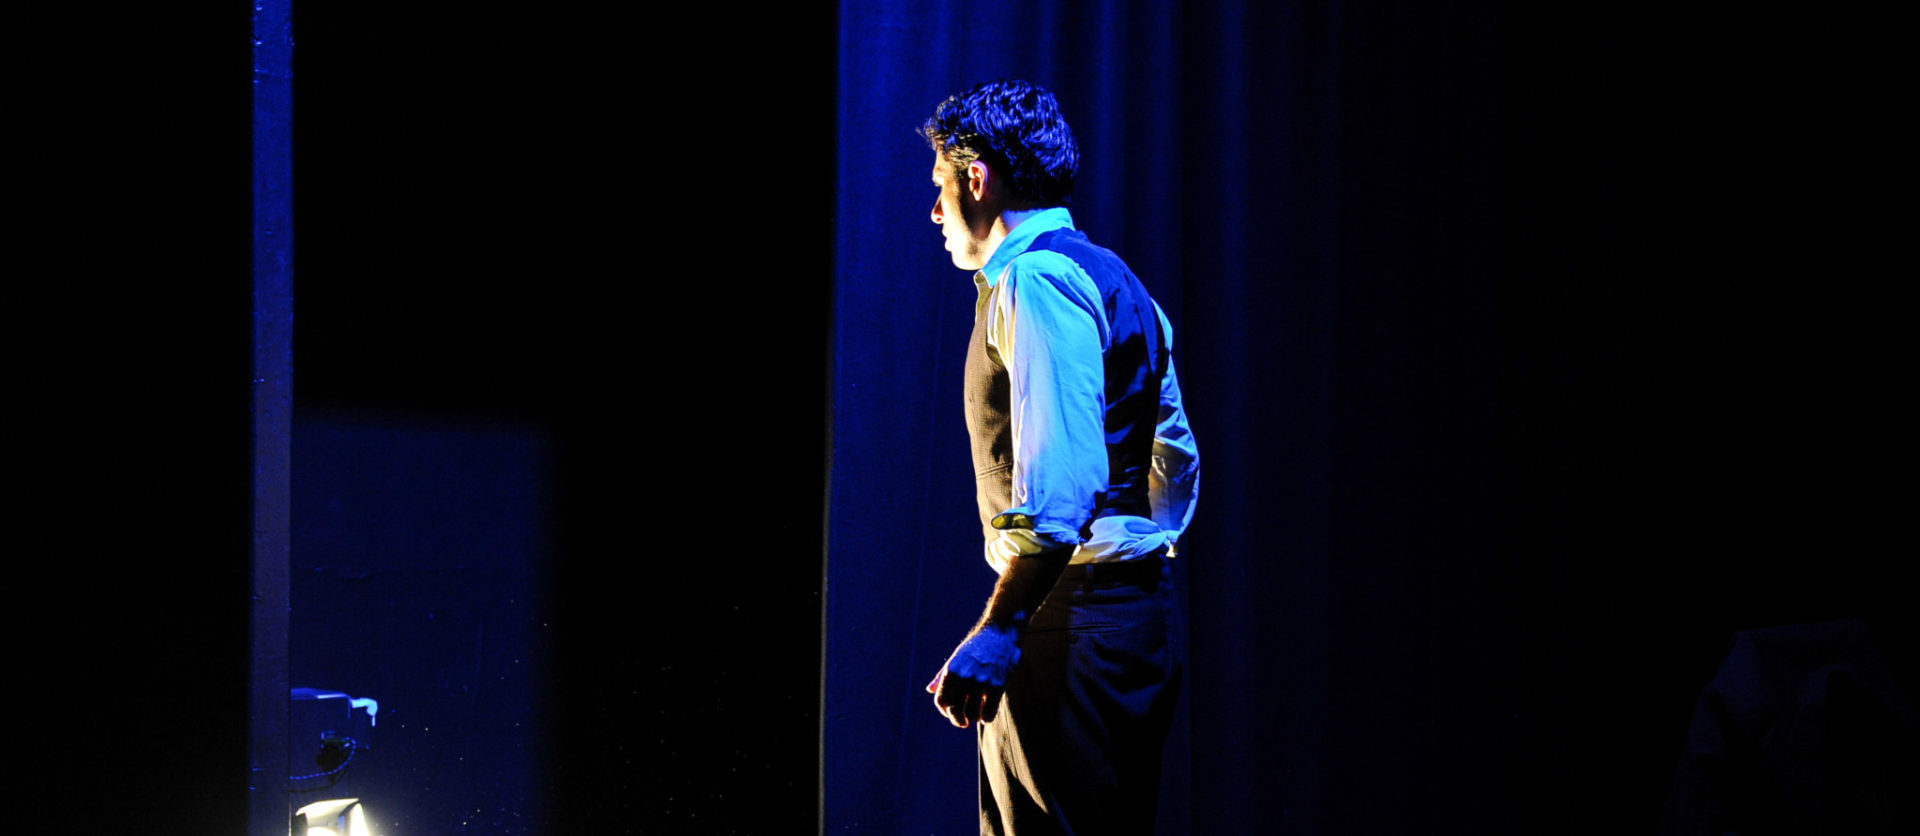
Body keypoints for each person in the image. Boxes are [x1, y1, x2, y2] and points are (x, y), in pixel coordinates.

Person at [920, 78, 1201, 835]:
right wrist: (1127, 559)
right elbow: (1174, 460)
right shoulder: (1121, 281)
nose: (937, 211)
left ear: (977, 179)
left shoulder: (1035, 279)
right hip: (1135, 617)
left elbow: (1061, 491)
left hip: (1070, 623)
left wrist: (1004, 626)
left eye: (942, 186)